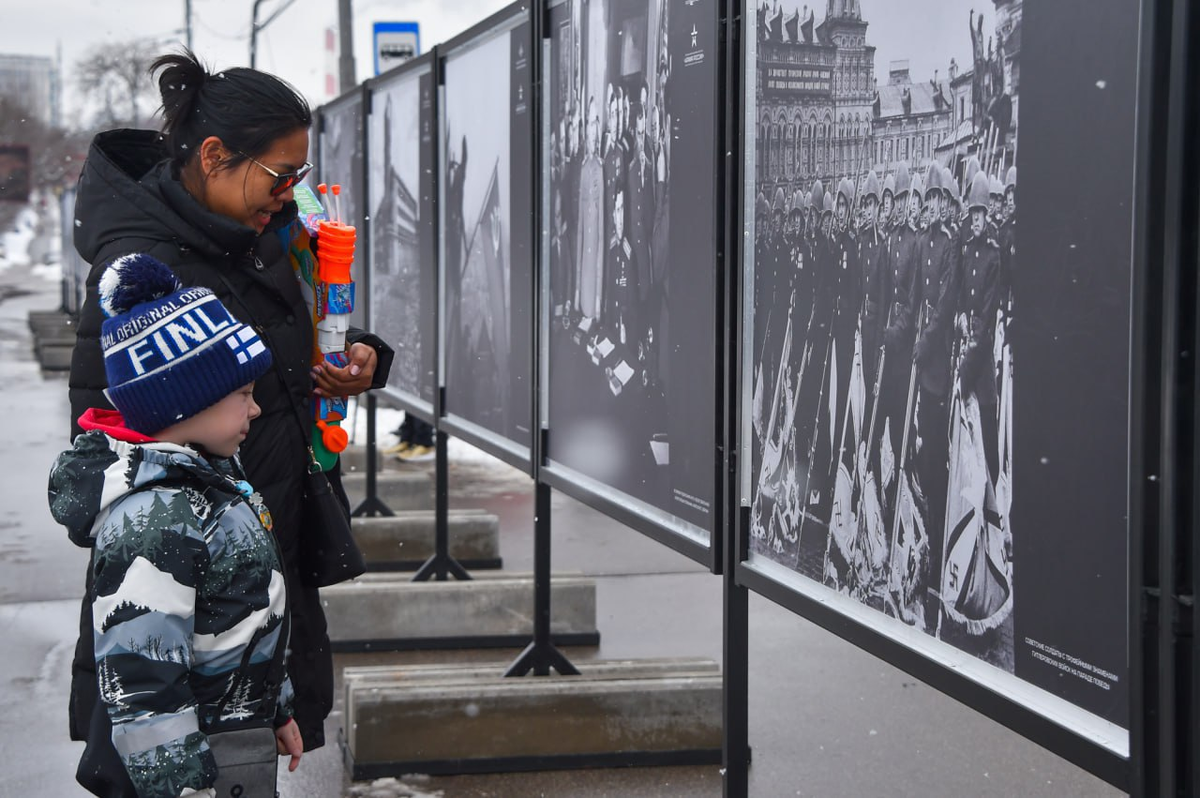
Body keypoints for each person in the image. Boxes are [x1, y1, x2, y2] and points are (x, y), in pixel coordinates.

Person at [67, 50, 393, 756]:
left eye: (300, 175)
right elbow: (106, 454)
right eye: (281, 176)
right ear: (215, 156)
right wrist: (203, 548)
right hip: (193, 595)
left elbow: (281, 341)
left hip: (262, 553)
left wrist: (355, 358)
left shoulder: (255, 238)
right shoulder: (142, 269)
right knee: (188, 762)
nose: (291, 193)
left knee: (252, 760)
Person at [50, 254, 303, 797]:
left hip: (234, 741)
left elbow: (246, 615)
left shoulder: (212, 480)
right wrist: (182, 787)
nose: (255, 410)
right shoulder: (155, 517)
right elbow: (143, 685)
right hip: (195, 767)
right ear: (185, 403)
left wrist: (272, 710)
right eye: (242, 395)